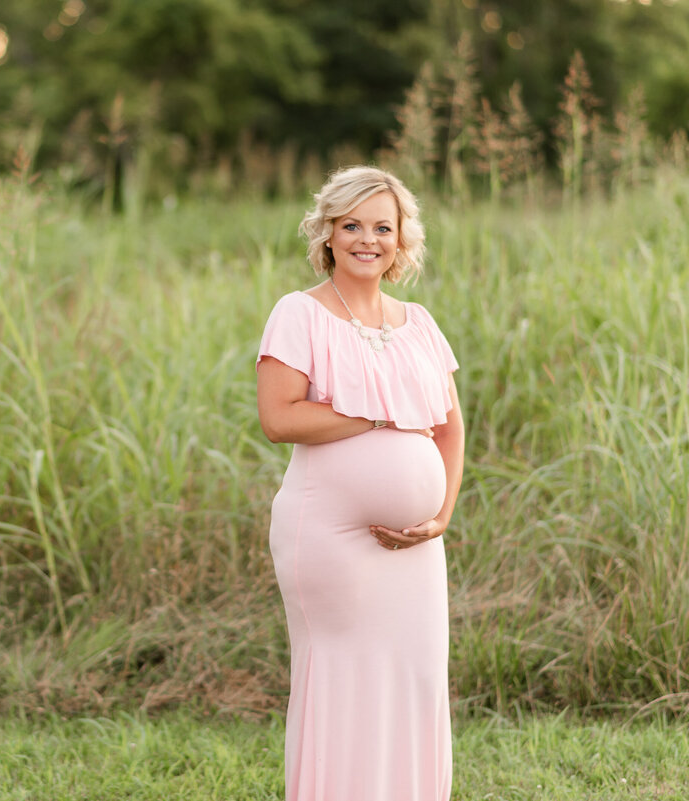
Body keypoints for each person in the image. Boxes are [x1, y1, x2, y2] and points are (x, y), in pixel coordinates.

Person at [255, 165, 465, 801]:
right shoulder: (300, 313)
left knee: (416, 677)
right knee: (345, 683)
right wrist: (374, 413)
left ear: (402, 239)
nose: (367, 239)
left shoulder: (420, 323)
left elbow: (451, 429)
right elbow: (279, 417)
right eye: (351, 225)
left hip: (417, 548)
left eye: (382, 226)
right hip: (330, 539)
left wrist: (441, 516)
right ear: (327, 234)